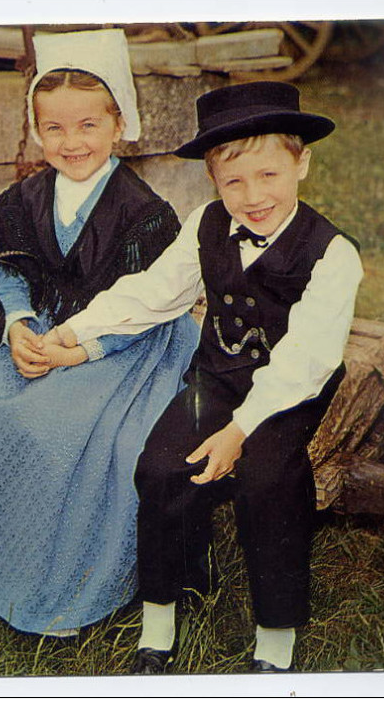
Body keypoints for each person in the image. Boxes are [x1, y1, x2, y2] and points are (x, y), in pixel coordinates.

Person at [49, 81, 363, 671]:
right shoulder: (205, 225)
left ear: (303, 163)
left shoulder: (332, 254)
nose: (253, 196)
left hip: (287, 392)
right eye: (233, 181)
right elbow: (154, 293)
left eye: (269, 175)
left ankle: (275, 638)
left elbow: (305, 361)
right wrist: (76, 332)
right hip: (217, 376)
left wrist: (239, 432)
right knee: (161, 467)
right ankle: (163, 617)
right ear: (213, 181)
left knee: (268, 483)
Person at [0, 29, 199, 637]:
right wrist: (14, 325)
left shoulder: (145, 213)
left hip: (123, 345)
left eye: (89, 126)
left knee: (59, 426)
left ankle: (61, 572)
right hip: (37, 330)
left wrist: (76, 350)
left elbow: (144, 304)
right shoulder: (21, 201)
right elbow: (12, 273)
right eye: (56, 129)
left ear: (120, 125)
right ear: (38, 131)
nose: (73, 143)